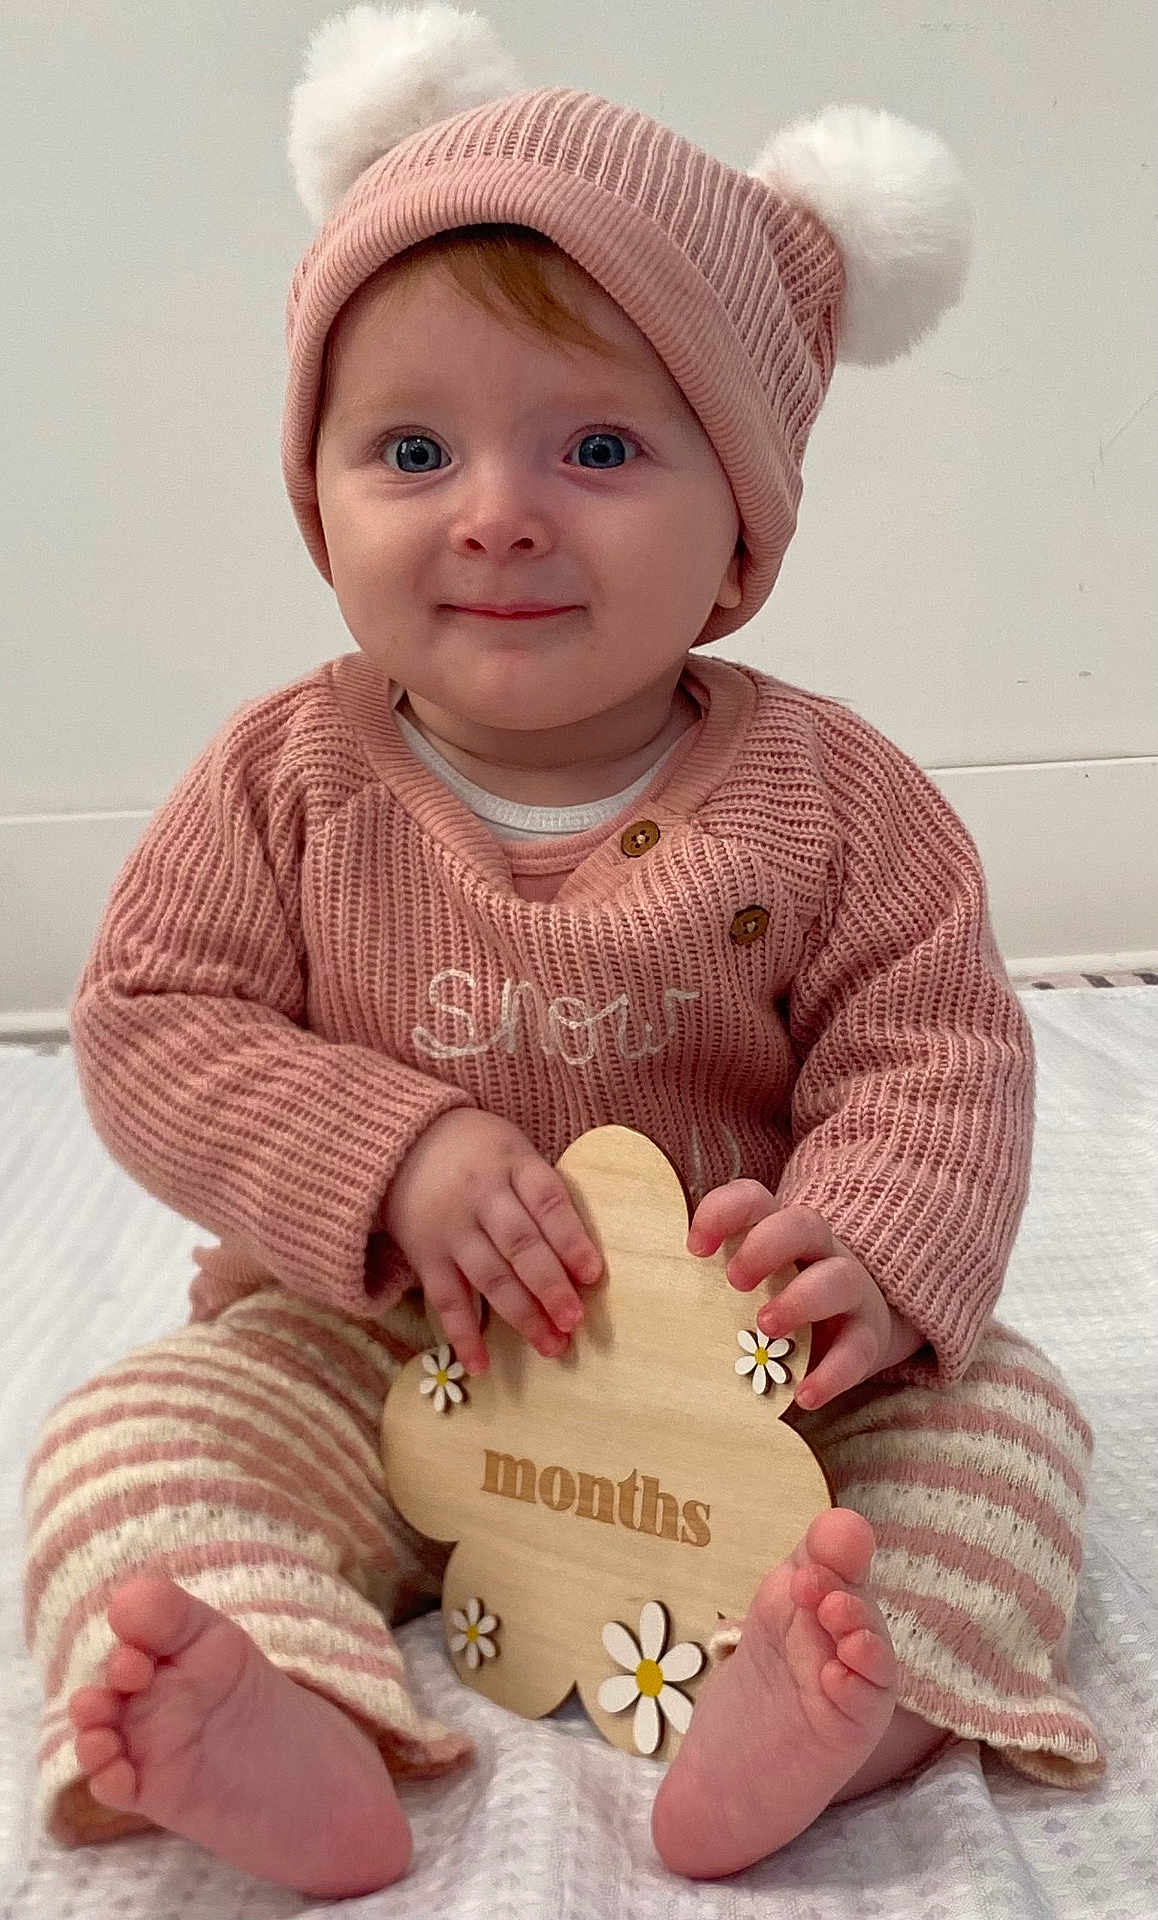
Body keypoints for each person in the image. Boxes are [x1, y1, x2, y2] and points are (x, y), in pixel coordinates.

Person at [22, 3, 1105, 1898]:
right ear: (318, 502)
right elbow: (153, 1023)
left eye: (598, 445)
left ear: (739, 537)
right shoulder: (286, 780)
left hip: (742, 1388)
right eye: (413, 447)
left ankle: (835, 1700)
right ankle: (284, 1707)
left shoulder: (836, 800)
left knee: (1002, 1428)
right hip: (366, 1342)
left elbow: (930, 1049)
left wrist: (858, 1242)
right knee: (126, 1441)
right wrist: (390, 1153)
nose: (498, 513)